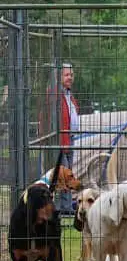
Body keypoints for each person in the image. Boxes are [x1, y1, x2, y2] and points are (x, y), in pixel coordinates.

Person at [40, 62, 81, 215]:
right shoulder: (54, 94)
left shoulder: (69, 94)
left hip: (70, 139)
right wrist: (46, 138)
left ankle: (65, 207)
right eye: (66, 75)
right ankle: (60, 206)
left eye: (71, 74)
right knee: (62, 174)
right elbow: (45, 116)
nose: (70, 77)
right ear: (59, 77)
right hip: (58, 140)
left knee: (68, 173)